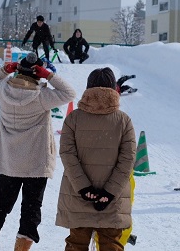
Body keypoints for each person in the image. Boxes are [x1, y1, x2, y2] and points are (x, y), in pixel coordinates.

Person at [0, 52, 75, 251]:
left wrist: (6, 69)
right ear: (37, 73)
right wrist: (49, 76)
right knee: (31, 209)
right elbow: (70, 93)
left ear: (18, 70)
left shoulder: (2, 90)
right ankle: (21, 247)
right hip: (35, 164)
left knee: (0, 205)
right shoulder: (42, 97)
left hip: (9, 161)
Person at [56, 67, 136, 251]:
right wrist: (109, 193)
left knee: (76, 244)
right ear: (113, 89)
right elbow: (127, 160)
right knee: (111, 245)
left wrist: (84, 188)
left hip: (79, 198)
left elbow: (67, 155)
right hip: (113, 201)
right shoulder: (124, 121)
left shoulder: (73, 119)